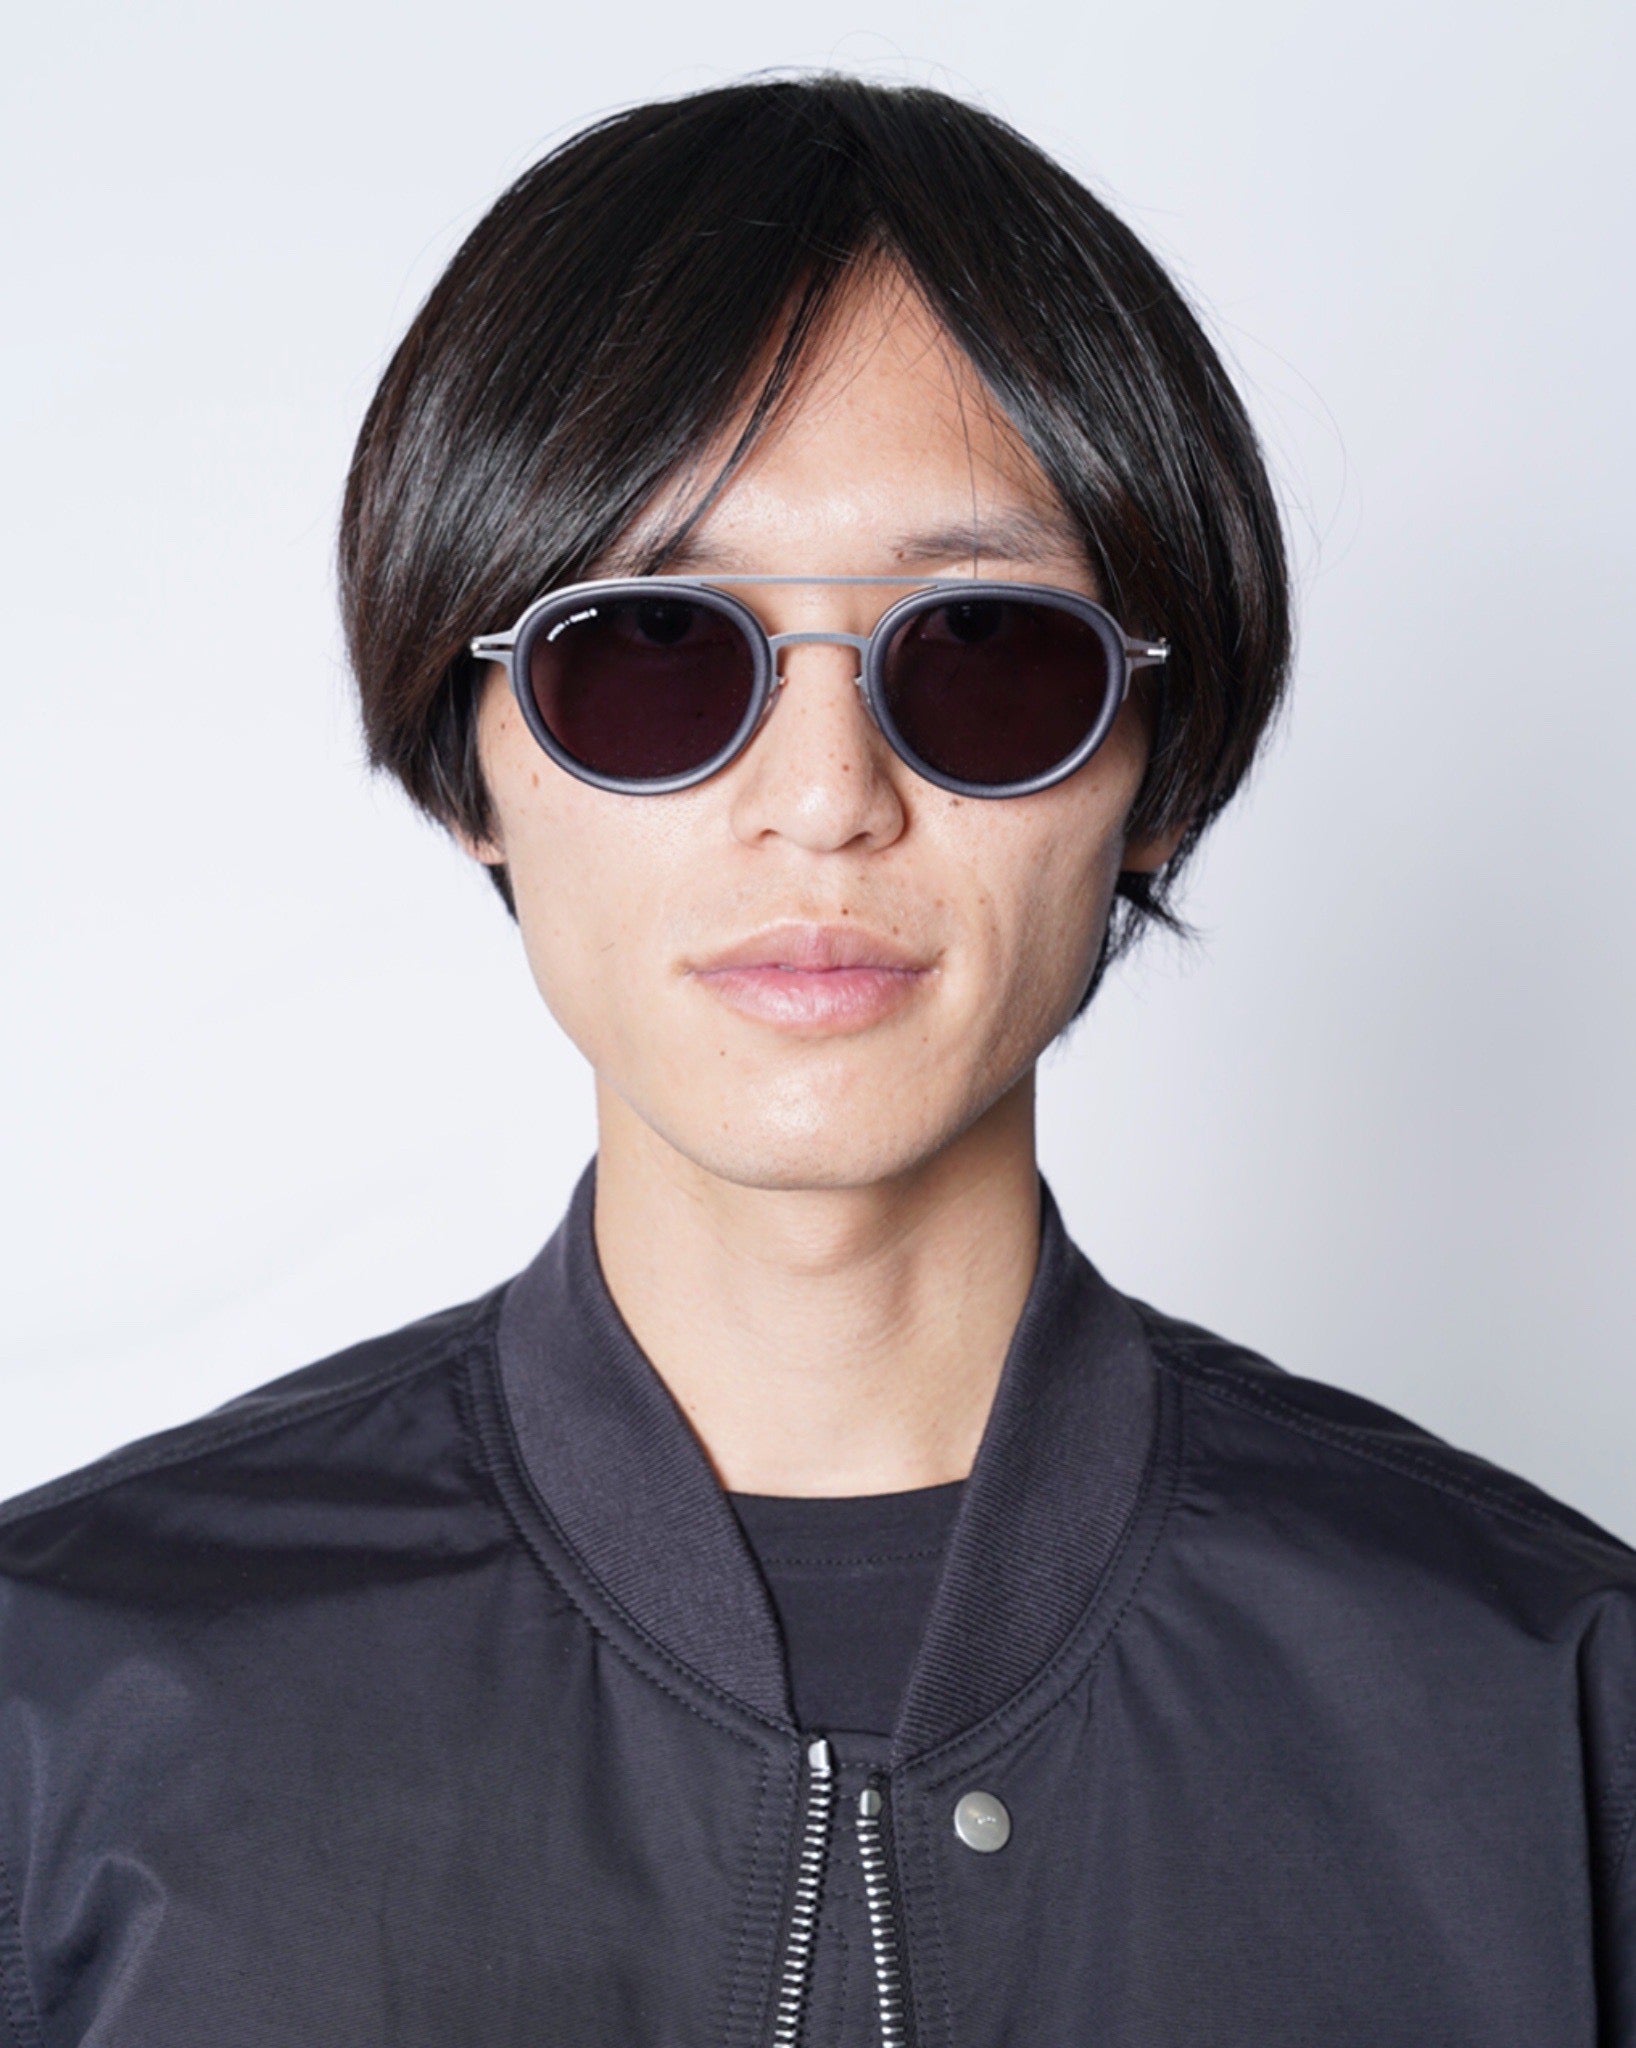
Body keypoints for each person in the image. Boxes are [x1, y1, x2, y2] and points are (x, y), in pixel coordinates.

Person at [1, 73, 1631, 2048]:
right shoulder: (63, 1709)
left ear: (1158, 774)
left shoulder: (1549, 1707)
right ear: (471, 769)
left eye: (986, 653)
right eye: (652, 651)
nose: (825, 796)